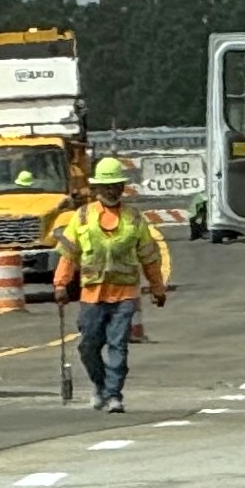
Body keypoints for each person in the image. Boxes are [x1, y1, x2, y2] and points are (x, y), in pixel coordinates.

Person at [54, 157, 170, 413]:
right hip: (91, 295)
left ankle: (114, 395)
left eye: (116, 185)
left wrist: (157, 288)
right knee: (88, 347)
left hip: (124, 295)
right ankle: (102, 386)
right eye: (106, 186)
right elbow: (69, 254)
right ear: (96, 189)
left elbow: (149, 257)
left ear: (122, 187)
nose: (111, 190)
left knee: (118, 345)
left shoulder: (134, 219)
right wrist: (61, 284)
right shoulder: (82, 217)